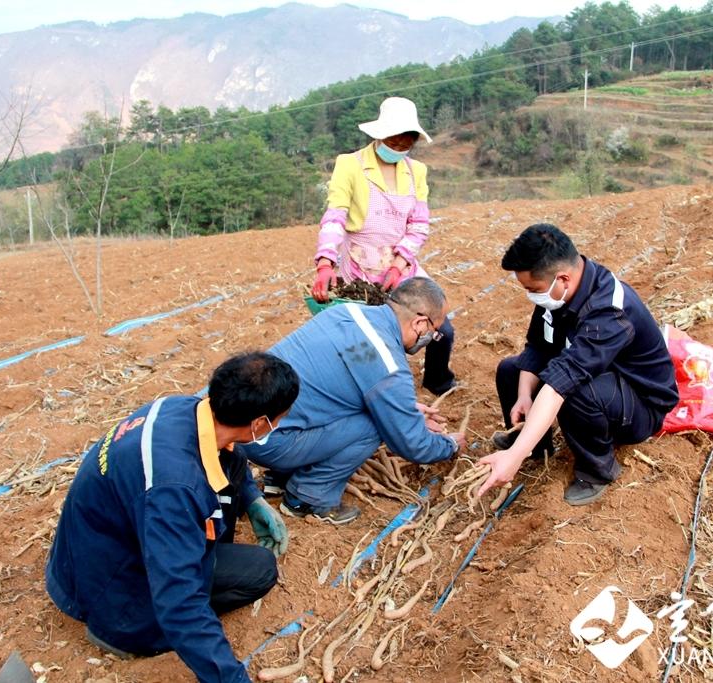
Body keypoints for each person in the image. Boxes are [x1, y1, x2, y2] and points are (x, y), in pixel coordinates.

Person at [45, 352, 299, 683]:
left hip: (85, 555)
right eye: (280, 418)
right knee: (259, 570)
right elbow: (179, 601)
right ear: (259, 424)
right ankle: (125, 630)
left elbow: (230, 455)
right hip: (111, 593)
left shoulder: (185, 408)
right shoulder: (173, 489)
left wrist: (251, 500)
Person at [477, 224, 679, 506]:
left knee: (575, 392)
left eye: (533, 289)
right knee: (512, 370)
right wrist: (524, 395)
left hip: (640, 405)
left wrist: (513, 458)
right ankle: (532, 443)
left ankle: (597, 470)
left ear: (563, 279)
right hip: (603, 375)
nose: (531, 296)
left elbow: (563, 381)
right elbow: (538, 346)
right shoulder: (556, 294)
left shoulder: (610, 311)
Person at [241, 277, 465, 525]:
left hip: (240, 422)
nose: (430, 338)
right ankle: (307, 497)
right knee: (374, 425)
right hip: (268, 441)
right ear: (420, 323)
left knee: (350, 407)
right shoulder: (389, 365)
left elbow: (347, 380)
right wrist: (449, 445)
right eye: (434, 333)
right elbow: (412, 445)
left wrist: (404, 410)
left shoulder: (345, 312)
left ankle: (281, 477)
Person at [311, 96, 456, 395]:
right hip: (359, 265)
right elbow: (335, 216)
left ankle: (437, 379)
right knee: (367, 336)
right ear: (380, 135)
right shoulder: (350, 165)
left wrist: (399, 263)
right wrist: (326, 262)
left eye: (407, 144)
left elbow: (418, 225)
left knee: (442, 328)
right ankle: (371, 387)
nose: (400, 148)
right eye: (395, 141)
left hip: (398, 264)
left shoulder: (416, 172)